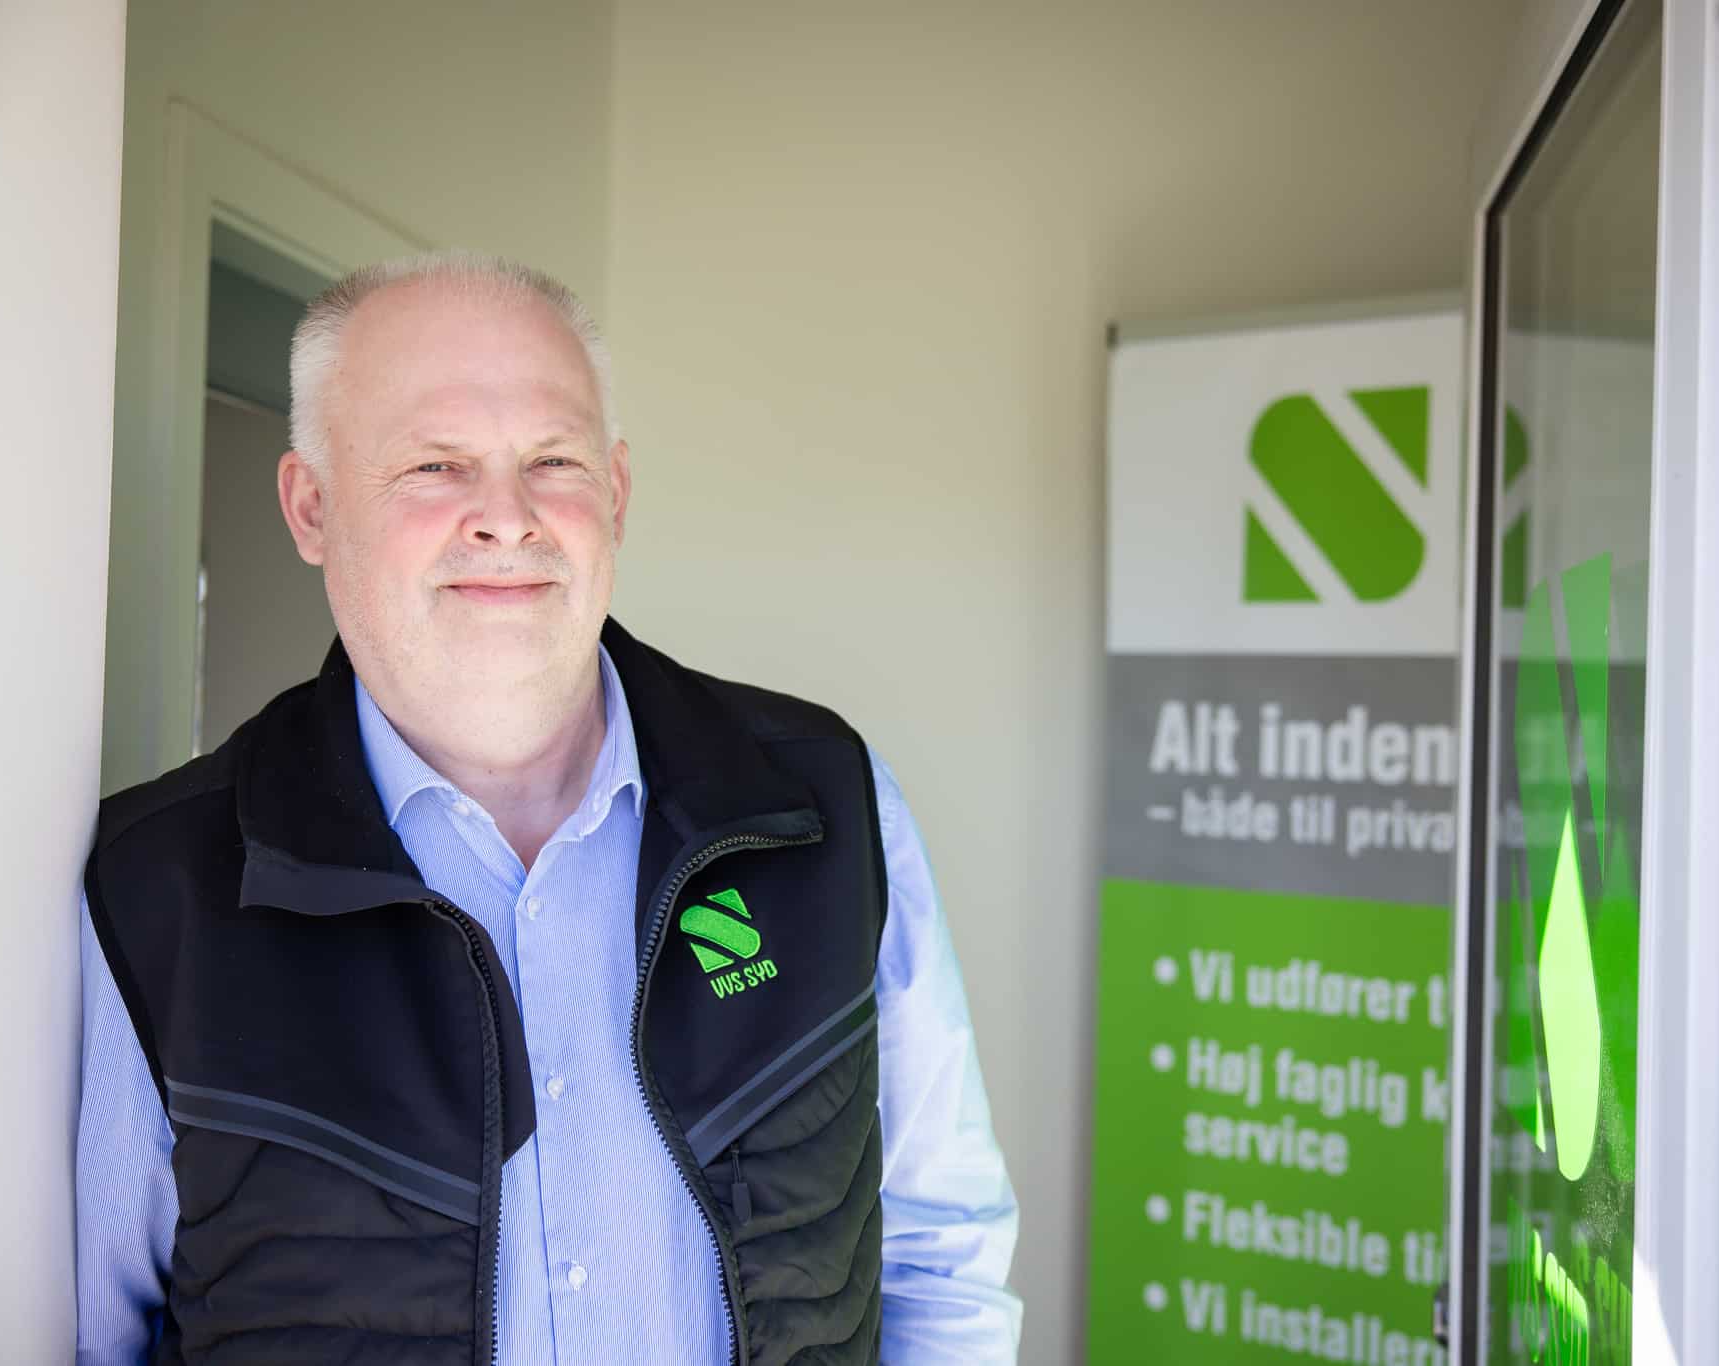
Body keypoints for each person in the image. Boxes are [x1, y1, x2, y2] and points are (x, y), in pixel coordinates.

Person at [74, 252, 1020, 1364]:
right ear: (311, 506)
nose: (505, 517)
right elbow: (87, 1335)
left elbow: (940, 1251)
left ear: (615, 491)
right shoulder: (157, 889)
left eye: (553, 460)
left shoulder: (829, 808)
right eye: (434, 464)